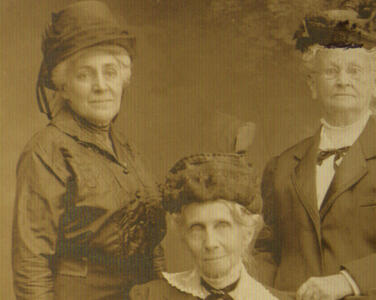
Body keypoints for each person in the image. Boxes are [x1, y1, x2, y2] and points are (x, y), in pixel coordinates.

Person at [258, 1, 376, 300]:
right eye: (331, 71)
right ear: (312, 84)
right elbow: (266, 252)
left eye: (355, 70)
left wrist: (348, 280)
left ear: (375, 83)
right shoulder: (281, 167)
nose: (343, 81)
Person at [12, 2, 166, 299]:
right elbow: (31, 265)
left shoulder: (128, 152)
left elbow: (152, 242)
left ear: (123, 80)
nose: (101, 86)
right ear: (64, 87)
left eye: (109, 72)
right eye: (85, 75)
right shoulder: (47, 152)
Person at [130, 153, 295, 300]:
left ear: (247, 232)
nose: (210, 243)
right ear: (183, 235)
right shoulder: (149, 296)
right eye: (197, 228)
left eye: (222, 226)